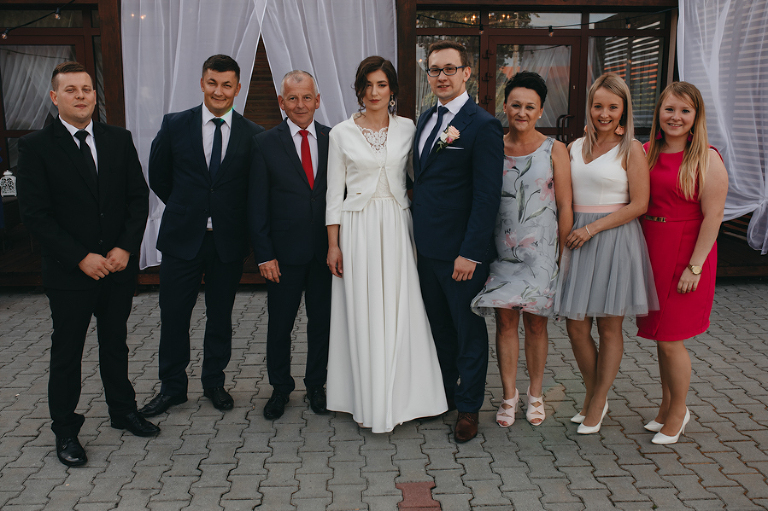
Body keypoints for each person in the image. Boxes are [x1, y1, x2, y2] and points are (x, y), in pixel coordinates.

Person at [17, 61, 159, 467]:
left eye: (86, 89)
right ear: (54, 97)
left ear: (95, 95)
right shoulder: (35, 147)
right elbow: (36, 215)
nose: (80, 96)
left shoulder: (118, 139)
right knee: (68, 352)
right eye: (71, 90)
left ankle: (123, 411)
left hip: (116, 267)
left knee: (115, 342)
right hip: (70, 272)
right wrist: (80, 256)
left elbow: (138, 198)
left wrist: (125, 248)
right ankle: (65, 430)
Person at [325, 56, 447, 433]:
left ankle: (409, 398)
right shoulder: (340, 133)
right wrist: (333, 244)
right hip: (357, 228)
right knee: (362, 308)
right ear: (359, 89)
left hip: (396, 224)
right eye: (367, 85)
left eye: (381, 85)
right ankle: (365, 399)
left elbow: (422, 177)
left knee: (403, 306)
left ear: (392, 89)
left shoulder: (409, 128)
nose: (374, 92)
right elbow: (333, 194)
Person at [141, 55, 264, 417]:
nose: (218, 91)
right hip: (182, 238)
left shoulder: (253, 134)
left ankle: (214, 383)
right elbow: (159, 175)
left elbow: (252, 189)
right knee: (174, 315)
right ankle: (172, 388)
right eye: (212, 83)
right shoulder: (175, 124)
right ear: (202, 83)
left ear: (237, 88)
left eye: (226, 85)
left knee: (220, 316)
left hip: (227, 241)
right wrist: (187, 209)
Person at [554, 72, 657, 434]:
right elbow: (564, 200)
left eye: (613, 107)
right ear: (590, 107)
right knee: (576, 326)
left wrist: (592, 228)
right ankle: (593, 391)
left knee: (609, 326)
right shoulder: (573, 147)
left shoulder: (632, 149)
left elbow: (640, 204)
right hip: (576, 240)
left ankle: (597, 401)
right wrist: (564, 244)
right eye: (598, 106)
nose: (604, 113)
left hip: (613, 238)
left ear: (623, 110)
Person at [412, 41, 504, 442]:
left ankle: (469, 408)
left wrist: (470, 252)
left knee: (468, 332)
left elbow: (486, 196)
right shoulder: (425, 118)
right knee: (440, 329)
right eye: (435, 70)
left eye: (450, 68)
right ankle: (446, 397)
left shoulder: (482, 125)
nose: (442, 77)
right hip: (426, 248)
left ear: (466, 73)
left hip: (461, 254)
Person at [471, 71, 572, 428]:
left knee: (537, 326)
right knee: (505, 322)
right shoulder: (492, 146)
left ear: (541, 110)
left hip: (541, 254)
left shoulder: (554, 149)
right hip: (501, 251)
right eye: (516, 105)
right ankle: (508, 396)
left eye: (530, 106)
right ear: (505, 106)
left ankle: (536, 395)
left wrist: (563, 255)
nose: (522, 112)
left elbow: (565, 206)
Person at [637, 82, 728, 445]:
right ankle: (665, 406)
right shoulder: (646, 152)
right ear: (659, 112)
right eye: (669, 109)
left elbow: (714, 216)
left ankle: (679, 412)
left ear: (696, 116)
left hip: (686, 255)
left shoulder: (707, 157)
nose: (676, 117)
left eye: (685, 111)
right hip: (652, 251)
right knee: (661, 337)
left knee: (671, 340)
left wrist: (695, 266)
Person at [249, 70, 331, 420]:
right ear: (282, 102)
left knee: (322, 323)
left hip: (325, 253)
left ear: (317, 100)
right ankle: (280, 387)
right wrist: (264, 254)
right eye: (293, 98)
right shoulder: (265, 142)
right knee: (280, 325)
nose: (300, 104)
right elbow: (256, 204)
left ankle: (317, 385)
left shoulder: (334, 139)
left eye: (307, 97)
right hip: (282, 255)